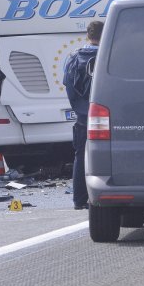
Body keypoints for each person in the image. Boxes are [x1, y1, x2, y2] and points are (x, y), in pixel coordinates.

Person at [63, 21, 103, 210]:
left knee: (80, 156)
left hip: (81, 116)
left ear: (88, 35)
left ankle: (79, 200)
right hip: (104, 115)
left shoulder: (73, 57)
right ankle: (103, 195)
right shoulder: (106, 56)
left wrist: (79, 108)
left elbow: (68, 85)